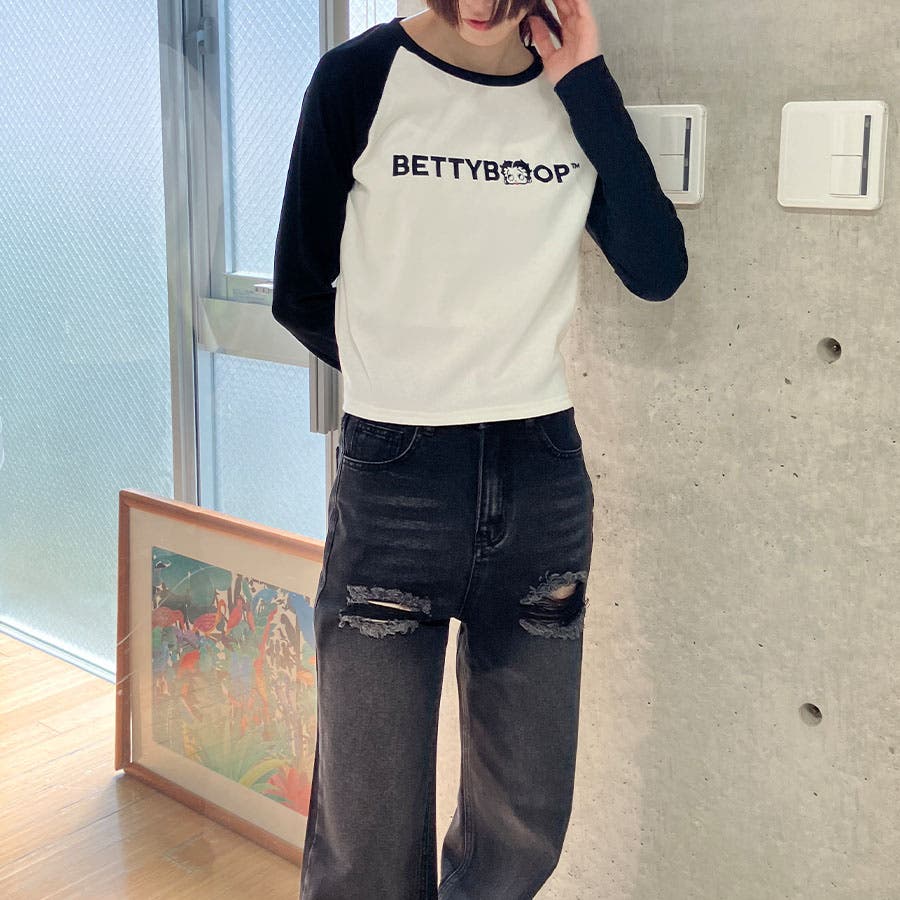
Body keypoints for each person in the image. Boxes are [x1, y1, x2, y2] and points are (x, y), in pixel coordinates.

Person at [272, 0, 688, 896]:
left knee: (522, 832)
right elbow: (299, 289)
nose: (475, 7)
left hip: (540, 479)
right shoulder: (358, 79)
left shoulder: (573, 98)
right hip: (398, 480)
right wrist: (405, 381)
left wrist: (586, 85)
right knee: (367, 848)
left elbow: (658, 270)